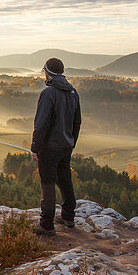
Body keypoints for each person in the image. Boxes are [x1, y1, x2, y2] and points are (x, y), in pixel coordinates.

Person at [30, 57, 81, 235]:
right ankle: (68, 216)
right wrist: (71, 141)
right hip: (66, 146)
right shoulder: (73, 92)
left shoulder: (48, 93)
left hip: (49, 148)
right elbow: (77, 122)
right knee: (65, 179)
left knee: (48, 183)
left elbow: (41, 124)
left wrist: (35, 148)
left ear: (47, 72)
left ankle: (46, 224)